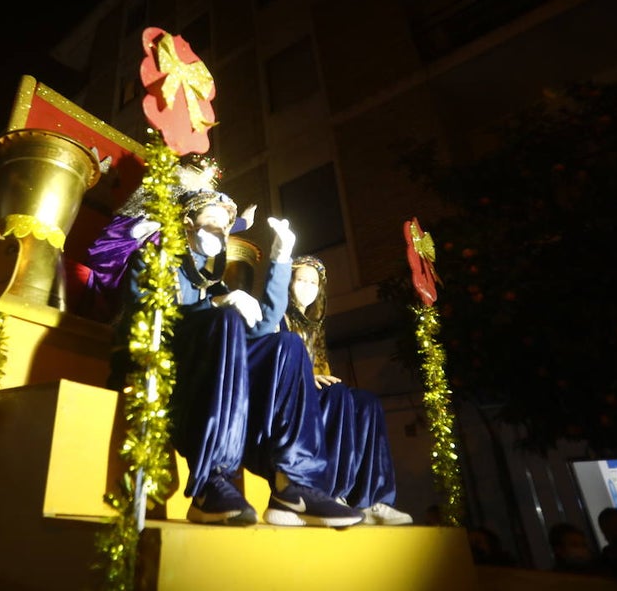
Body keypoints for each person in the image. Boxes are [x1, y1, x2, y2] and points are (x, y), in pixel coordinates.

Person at [113, 188, 362, 528]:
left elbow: (263, 327)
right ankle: (212, 480)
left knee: (286, 345)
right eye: (212, 221)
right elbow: (149, 322)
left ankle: (294, 485)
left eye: (226, 225)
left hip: (214, 369)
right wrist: (212, 308)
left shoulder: (214, 284)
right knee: (228, 319)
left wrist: (280, 258)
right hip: (171, 372)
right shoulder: (155, 262)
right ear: (187, 223)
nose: (220, 230)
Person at [284, 255, 413, 526]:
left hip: (312, 390)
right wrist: (307, 378)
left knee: (366, 402)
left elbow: (323, 372)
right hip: (288, 394)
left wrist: (318, 377)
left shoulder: (314, 328)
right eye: (301, 280)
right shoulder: (278, 314)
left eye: (313, 283)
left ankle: (371, 499)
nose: (307, 287)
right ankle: (331, 492)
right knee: (337, 395)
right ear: (288, 282)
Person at [80, 154, 253, 323]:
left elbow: (211, 222)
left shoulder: (200, 205)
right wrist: (242, 223)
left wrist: (241, 223)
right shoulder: (173, 184)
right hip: (132, 240)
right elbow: (191, 217)